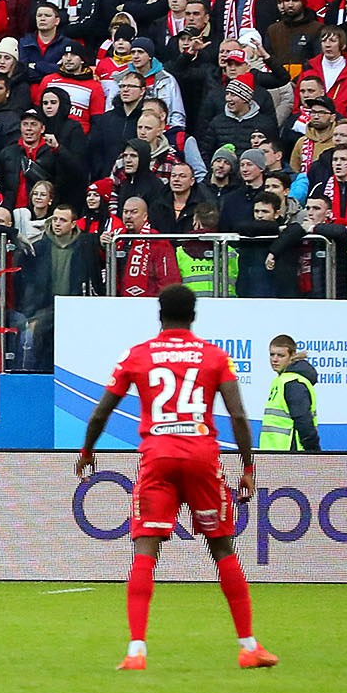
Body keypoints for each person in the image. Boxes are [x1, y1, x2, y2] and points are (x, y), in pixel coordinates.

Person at [74, 284, 273, 671]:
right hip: (201, 456)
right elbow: (237, 416)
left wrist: (86, 451)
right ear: (194, 315)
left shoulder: (138, 355)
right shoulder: (214, 356)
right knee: (222, 548)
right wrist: (247, 467)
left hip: (158, 457)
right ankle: (248, 646)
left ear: (159, 315)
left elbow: (101, 412)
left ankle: (136, 652)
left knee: (146, 550)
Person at [258, 335, 321, 452]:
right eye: (272, 354)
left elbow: (304, 422)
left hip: (290, 453)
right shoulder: (281, 381)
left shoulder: (292, 383)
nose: (274, 359)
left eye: (280, 355)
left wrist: (314, 452)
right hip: (274, 453)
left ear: (292, 356)